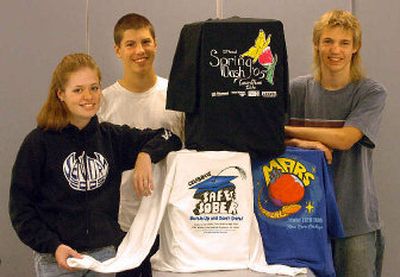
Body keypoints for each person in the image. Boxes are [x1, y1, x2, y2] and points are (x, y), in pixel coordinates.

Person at [9, 53, 182, 277]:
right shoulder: (38, 143)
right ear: (60, 94)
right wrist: (53, 245)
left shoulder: (111, 137)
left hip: (106, 261)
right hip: (58, 261)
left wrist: (145, 155)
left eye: (94, 88)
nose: (88, 97)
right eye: (78, 90)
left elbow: (170, 136)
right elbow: (21, 210)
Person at [285, 10, 386, 277]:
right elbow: (266, 139)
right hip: (302, 220)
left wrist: (287, 130)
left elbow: (345, 139)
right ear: (316, 44)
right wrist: (303, 142)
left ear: (356, 48)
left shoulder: (370, 92)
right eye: (328, 41)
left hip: (354, 222)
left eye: (344, 43)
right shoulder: (296, 90)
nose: (335, 50)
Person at [97, 13, 184, 277]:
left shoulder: (177, 97)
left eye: (145, 42)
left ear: (156, 44)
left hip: (171, 222)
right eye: (131, 44)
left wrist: (148, 154)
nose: (140, 51)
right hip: (125, 224)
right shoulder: (103, 104)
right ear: (118, 50)